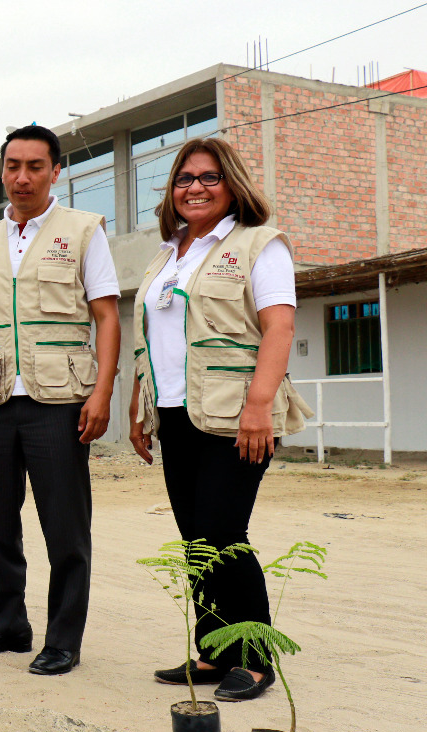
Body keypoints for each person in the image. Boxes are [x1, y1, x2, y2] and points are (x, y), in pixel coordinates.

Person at [128, 137, 311, 702]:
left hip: (237, 413)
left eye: (209, 177)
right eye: (185, 179)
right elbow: (156, 337)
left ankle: (254, 660)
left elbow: (278, 327)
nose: (196, 188)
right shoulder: (169, 252)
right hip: (176, 411)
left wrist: (259, 405)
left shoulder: (260, 245)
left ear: (232, 184)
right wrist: (140, 407)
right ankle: (214, 650)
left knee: (225, 535)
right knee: (195, 541)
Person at [0, 125, 121, 676]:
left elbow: (107, 317)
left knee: (65, 527)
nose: (22, 177)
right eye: (13, 166)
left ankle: (64, 639)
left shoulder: (83, 231)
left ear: (55, 171)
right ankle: (7, 626)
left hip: (60, 401)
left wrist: (102, 393)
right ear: (3, 171)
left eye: (35, 167)